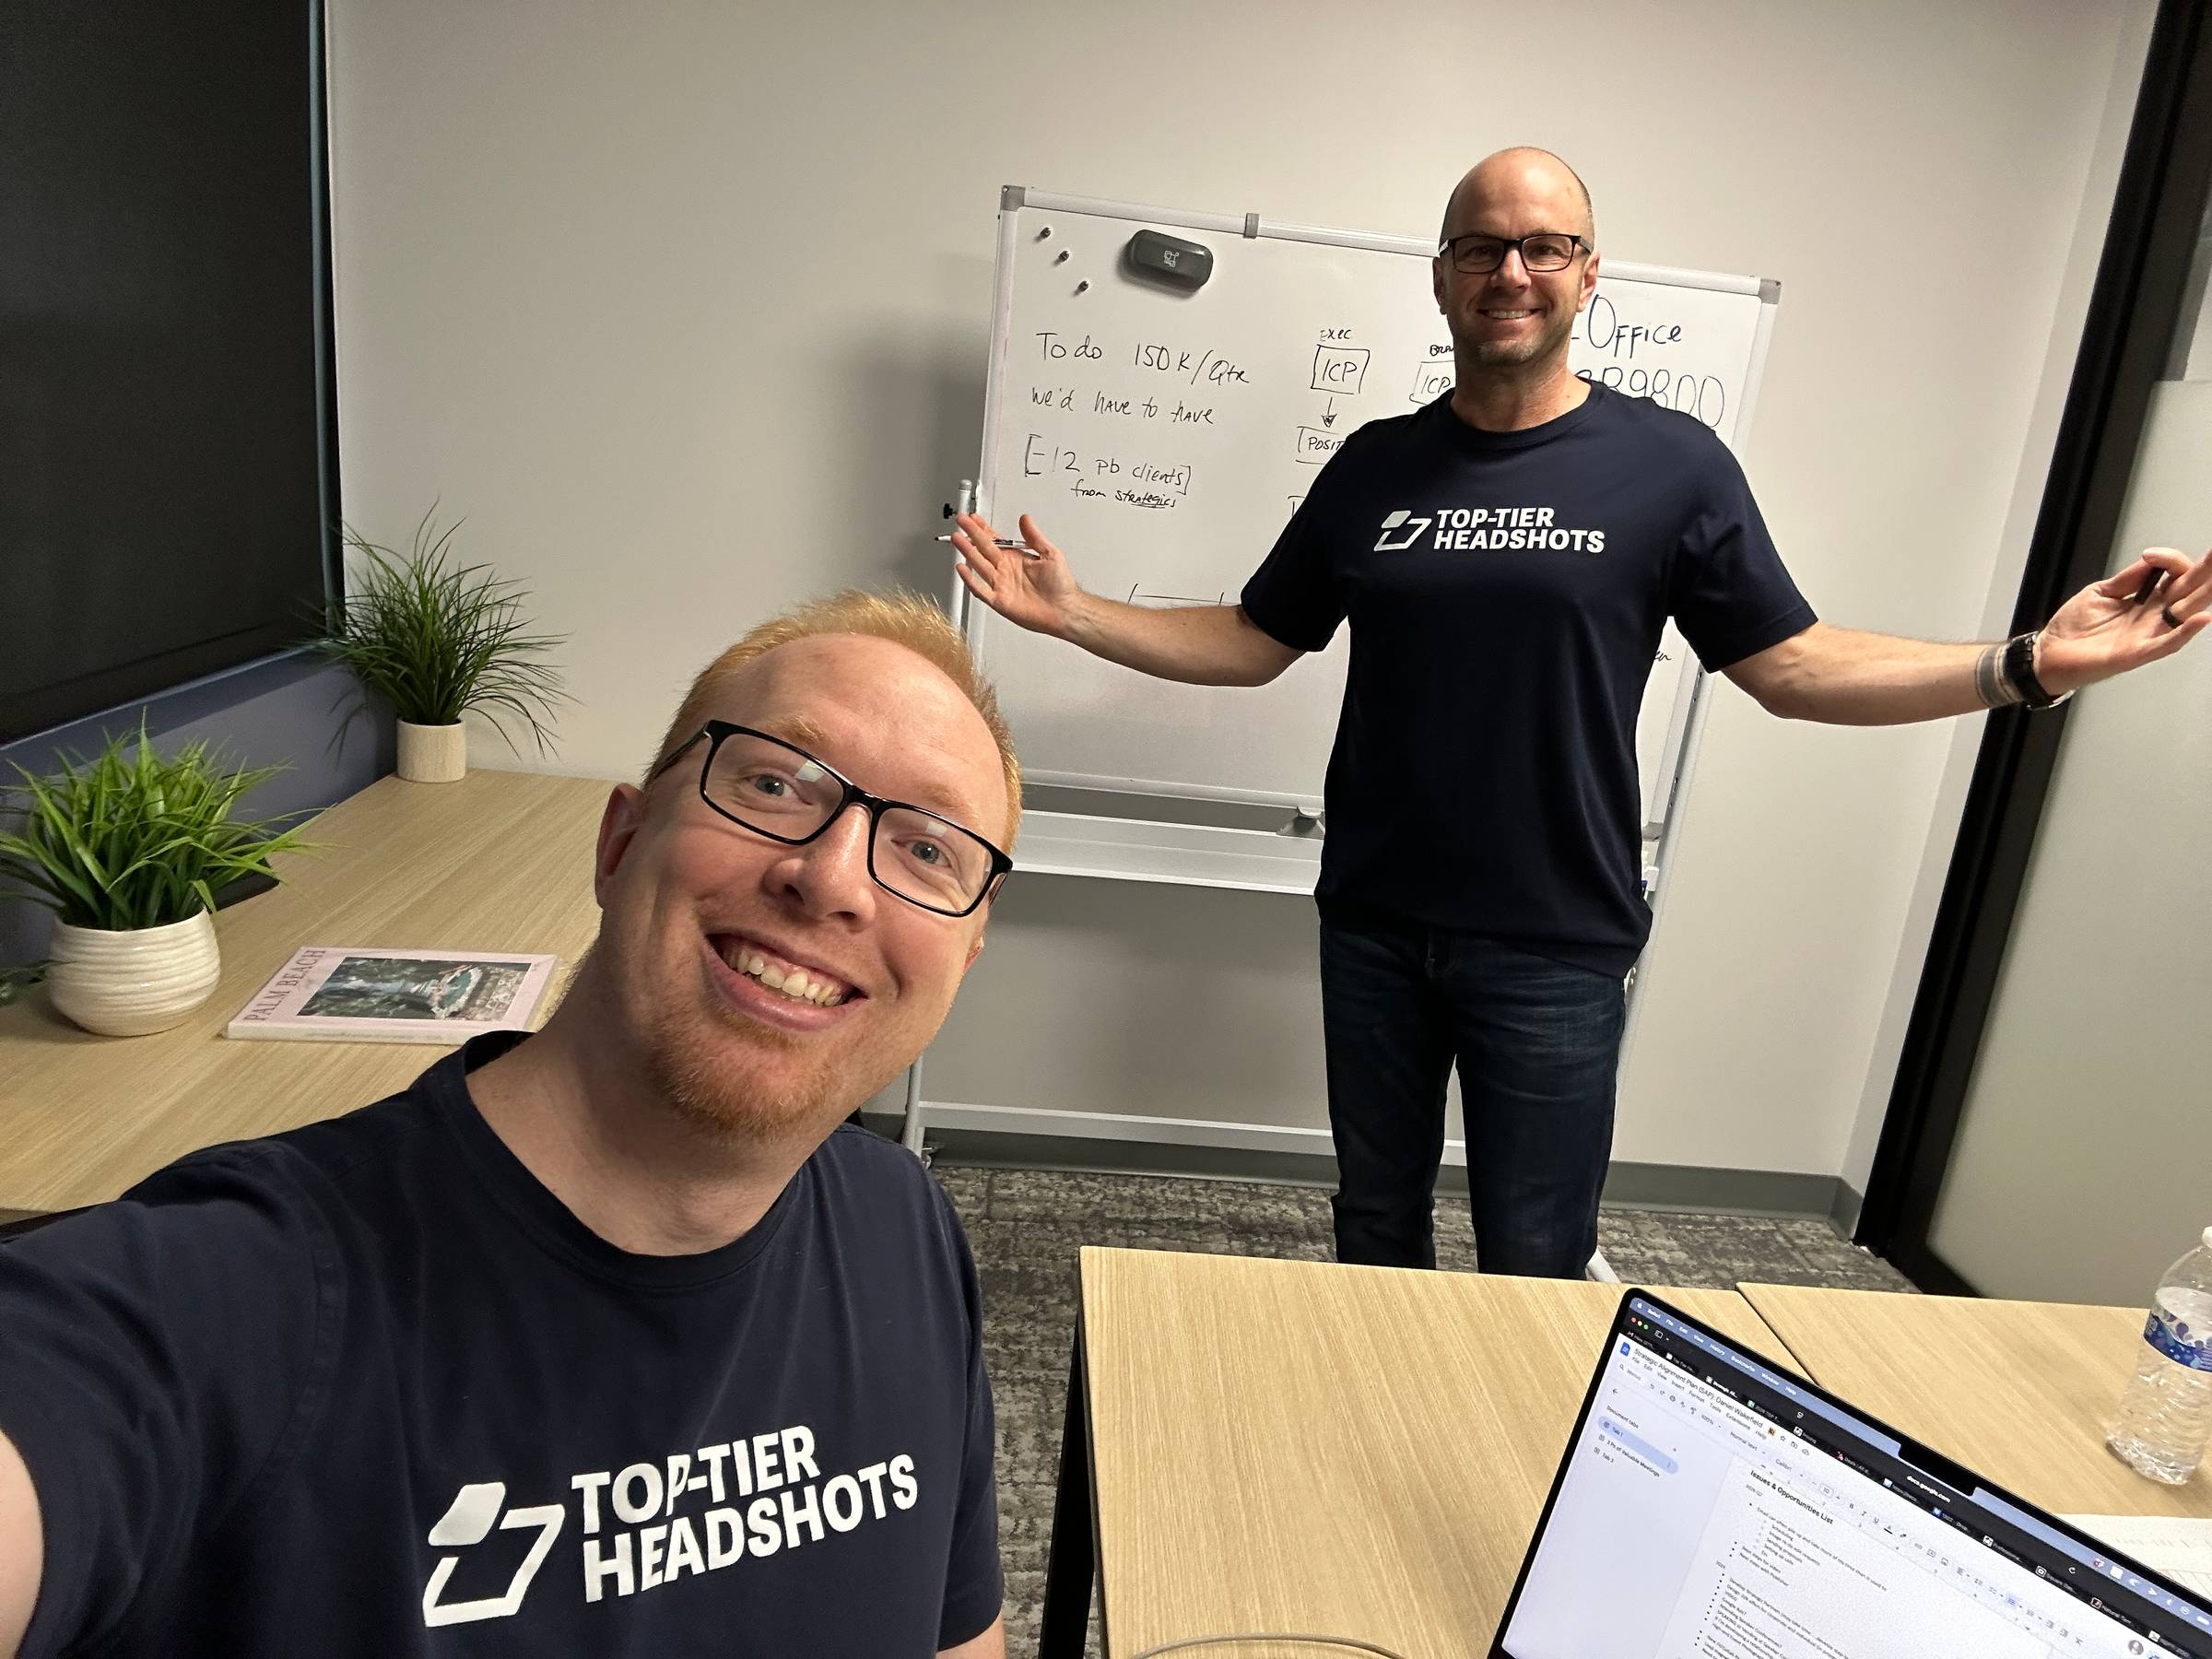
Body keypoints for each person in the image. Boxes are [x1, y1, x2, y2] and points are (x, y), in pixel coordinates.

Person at [951, 147, 2211, 1282]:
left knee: (1537, 1254)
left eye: (1543, 245)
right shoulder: (1376, 464)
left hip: (1553, 945)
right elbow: (1253, 640)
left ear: (1587, 274)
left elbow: (1795, 667)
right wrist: (1075, 613)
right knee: (1373, 1229)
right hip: (1375, 923)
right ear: (1441, 277)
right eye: (1480, 246)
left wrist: (2030, 664)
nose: (1511, 270)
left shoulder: (1671, 466)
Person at [0, 590, 1020, 1657]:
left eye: (929, 850)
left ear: (963, 963)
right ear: (619, 843)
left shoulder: (903, 1229)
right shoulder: (244, 1301)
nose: (832, 879)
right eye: (773, 782)